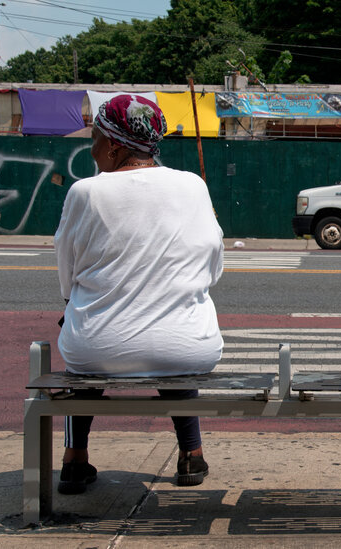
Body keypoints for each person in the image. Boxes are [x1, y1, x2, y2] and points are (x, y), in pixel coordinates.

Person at [54, 94, 224, 494]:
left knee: (84, 332)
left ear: (113, 145)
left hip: (97, 349)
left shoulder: (86, 193)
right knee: (172, 333)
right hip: (189, 349)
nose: (92, 149)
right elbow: (213, 265)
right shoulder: (192, 185)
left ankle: (75, 460)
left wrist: (76, 304)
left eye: (94, 138)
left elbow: (67, 274)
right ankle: (192, 454)